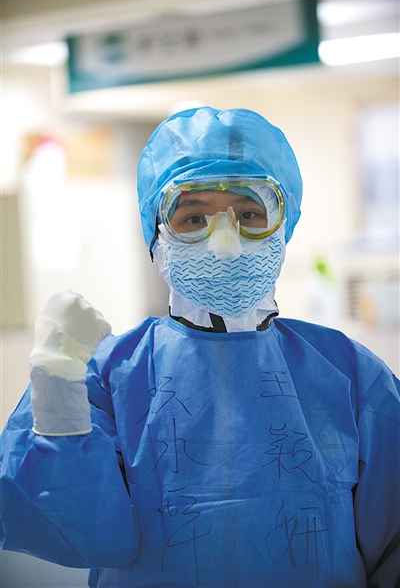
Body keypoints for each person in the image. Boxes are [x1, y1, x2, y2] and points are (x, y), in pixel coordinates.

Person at [1, 107, 399, 588]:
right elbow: (78, 535)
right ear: (157, 237)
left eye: (249, 215)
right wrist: (56, 382)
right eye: (193, 218)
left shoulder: (349, 373)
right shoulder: (108, 376)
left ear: (283, 227)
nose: (225, 244)